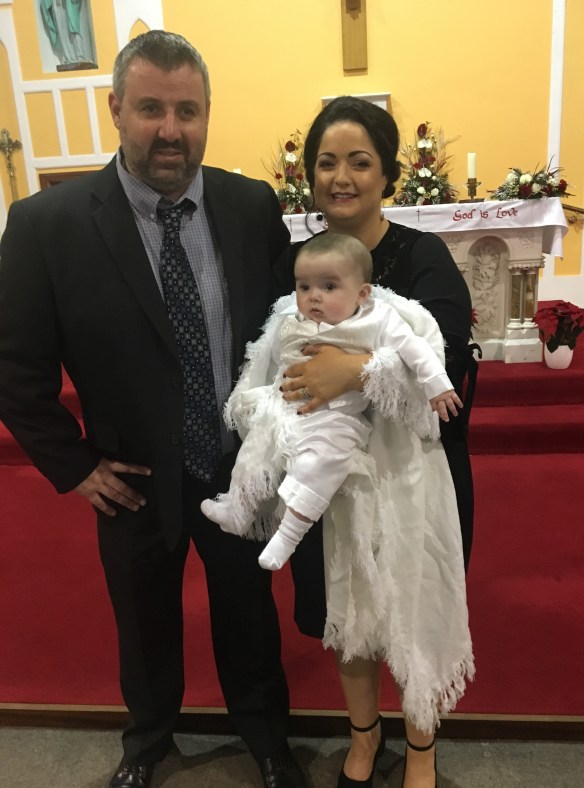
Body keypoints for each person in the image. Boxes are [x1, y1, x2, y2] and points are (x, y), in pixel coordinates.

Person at [0, 31, 307, 788]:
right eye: (150, 110)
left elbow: (285, 328)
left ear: (206, 114)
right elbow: (14, 366)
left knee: (249, 610)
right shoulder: (46, 225)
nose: (171, 130)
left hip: (236, 464)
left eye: (187, 111)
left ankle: (268, 740)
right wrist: (74, 466)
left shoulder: (250, 206)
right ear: (115, 110)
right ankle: (147, 742)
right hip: (130, 475)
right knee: (142, 622)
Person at [274, 97, 477, 787]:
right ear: (309, 175)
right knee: (349, 613)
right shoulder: (298, 260)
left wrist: (351, 371)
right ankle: (363, 737)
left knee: (413, 610)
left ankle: (421, 748)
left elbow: (447, 362)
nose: (341, 177)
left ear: (387, 172)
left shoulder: (421, 256)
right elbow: (275, 346)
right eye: (326, 162)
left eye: (359, 162)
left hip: (412, 477)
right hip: (330, 478)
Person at [201, 232, 463, 573]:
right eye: (304, 286)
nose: (314, 296)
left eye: (328, 286)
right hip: (285, 409)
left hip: (335, 417)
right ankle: (238, 508)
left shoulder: (377, 318)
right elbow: (271, 357)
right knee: (255, 452)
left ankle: (287, 537)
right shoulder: (292, 318)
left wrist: (438, 386)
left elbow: (416, 350)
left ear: (362, 293)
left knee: (318, 467)